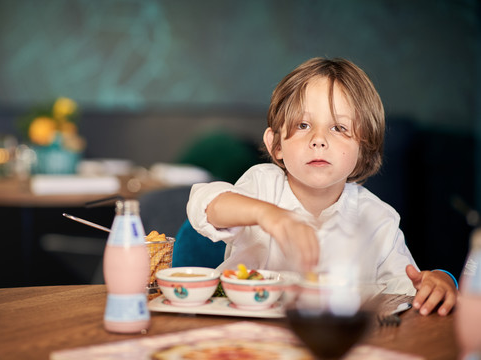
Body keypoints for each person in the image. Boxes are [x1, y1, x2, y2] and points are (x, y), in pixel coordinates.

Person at [187, 57, 457, 316]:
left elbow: (407, 294)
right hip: (243, 335)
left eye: (339, 128)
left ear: (363, 149)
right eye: (303, 125)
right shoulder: (262, 185)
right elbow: (205, 204)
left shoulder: (379, 220)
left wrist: (440, 282)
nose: (319, 140)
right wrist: (267, 214)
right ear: (276, 145)